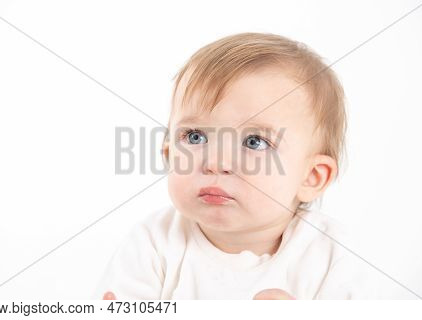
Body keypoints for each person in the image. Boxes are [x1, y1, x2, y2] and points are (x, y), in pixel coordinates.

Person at [94, 32, 376, 299]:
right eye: (195, 136)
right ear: (169, 153)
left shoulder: (330, 255)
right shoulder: (153, 244)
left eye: (254, 142)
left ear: (311, 177)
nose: (216, 163)